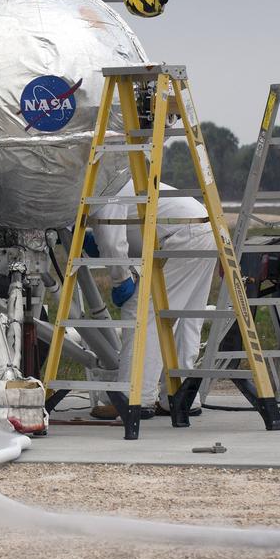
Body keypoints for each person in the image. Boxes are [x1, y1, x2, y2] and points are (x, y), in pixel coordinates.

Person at [89, 177, 216, 420]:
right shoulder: (120, 179)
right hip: (202, 227)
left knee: (142, 313)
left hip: (180, 235)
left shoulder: (103, 186)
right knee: (186, 319)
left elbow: (112, 240)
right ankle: (180, 399)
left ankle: (135, 399)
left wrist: (120, 279)